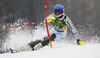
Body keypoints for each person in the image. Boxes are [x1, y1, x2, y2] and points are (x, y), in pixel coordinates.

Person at [9, 4, 84, 53]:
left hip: (61, 34)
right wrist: (47, 20)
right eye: (56, 11)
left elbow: (73, 29)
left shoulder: (66, 19)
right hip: (54, 30)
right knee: (41, 39)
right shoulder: (53, 16)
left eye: (59, 11)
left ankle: (39, 46)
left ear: (62, 12)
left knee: (52, 37)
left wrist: (78, 39)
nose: (57, 13)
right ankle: (24, 47)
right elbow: (45, 20)